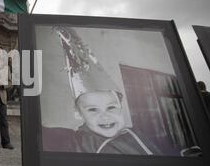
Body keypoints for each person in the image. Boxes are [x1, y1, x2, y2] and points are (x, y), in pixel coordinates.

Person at [42, 27, 162, 155]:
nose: (105, 116)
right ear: (78, 114)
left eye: (111, 107)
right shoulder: (74, 141)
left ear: (121, 108)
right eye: (93, 109)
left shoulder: (136, 137)